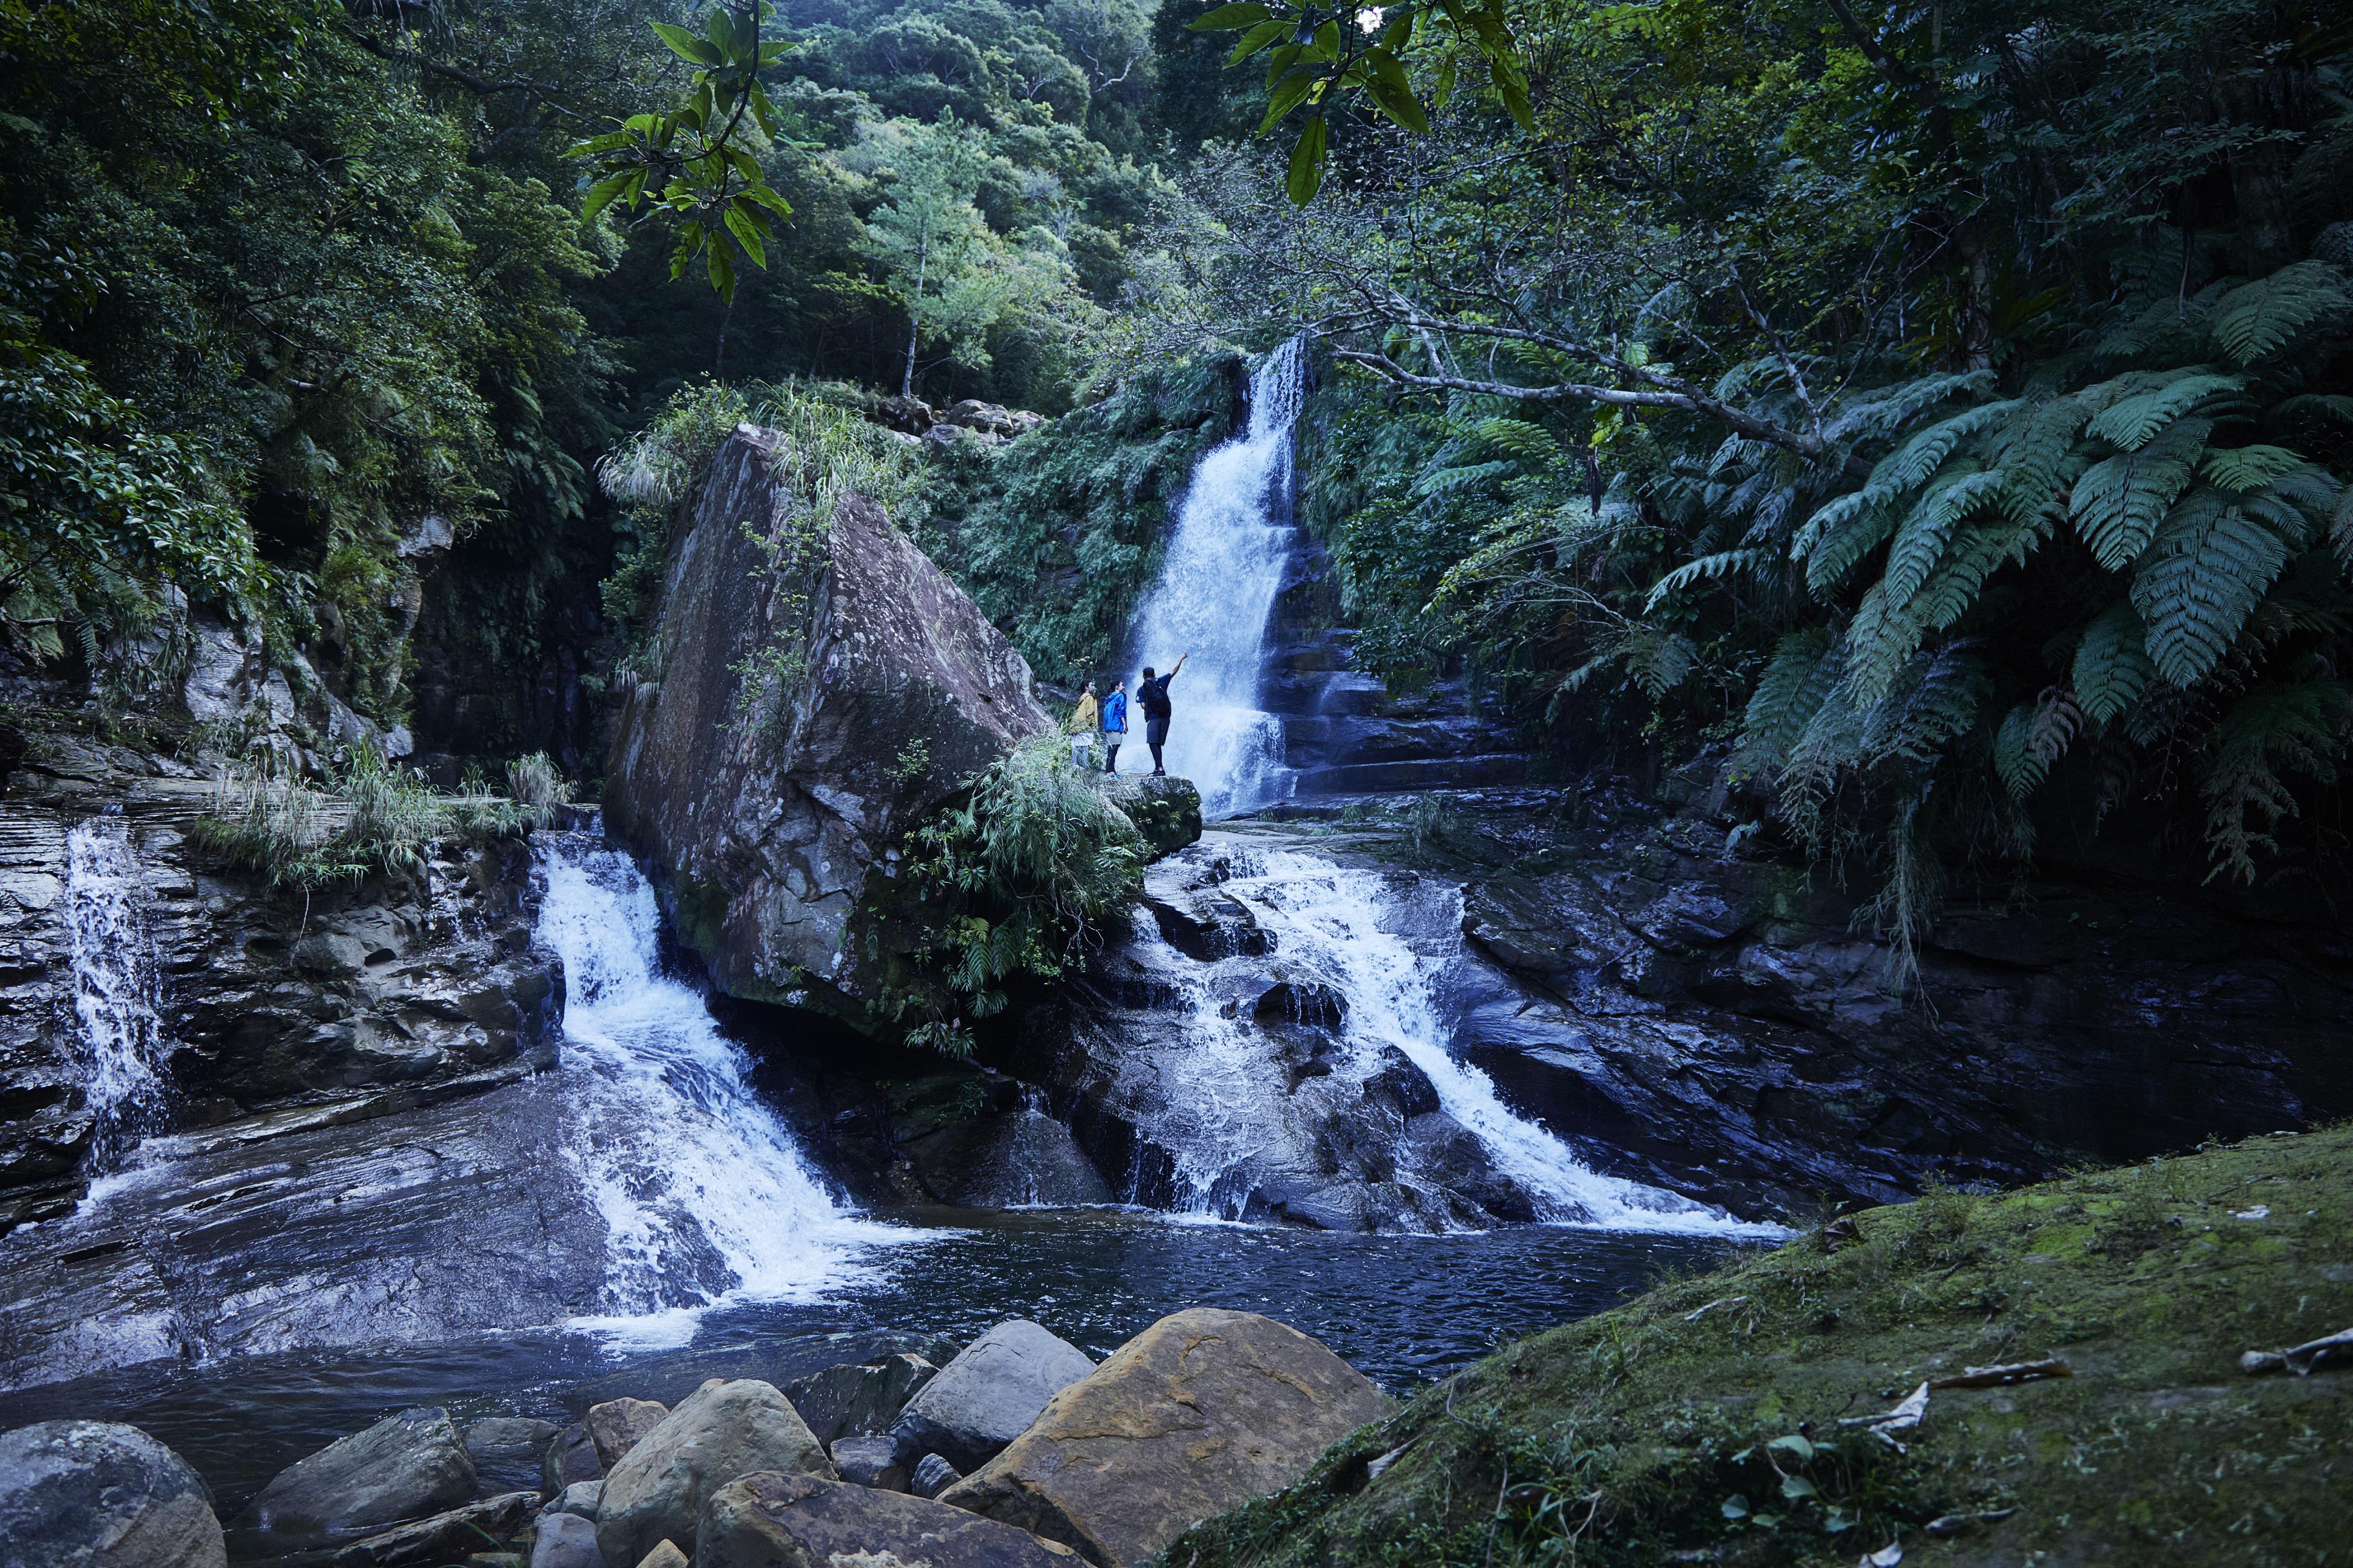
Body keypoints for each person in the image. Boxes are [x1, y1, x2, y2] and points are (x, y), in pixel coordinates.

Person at [1136, 652, 1187, 776]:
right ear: (1154, 674)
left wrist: (1151, 705)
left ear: (1144, 676)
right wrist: (1181, 658)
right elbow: (1174, 671)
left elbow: (1143, 706)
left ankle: (1160, 769)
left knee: (1153, 743)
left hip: (1154, 718)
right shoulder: (1161, 681)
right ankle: (1158, 768)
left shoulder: (1142, 689)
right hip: (1166, 717)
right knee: (1157, 743)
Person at [1100, 678, 1129, 774]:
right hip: (1116, 726)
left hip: (1109, 727)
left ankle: (1109, 771)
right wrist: (1125, 724)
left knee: (1110, 750)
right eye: (1122, 685)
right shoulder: (1120, 696)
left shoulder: (1110, 698)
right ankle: (1112, 772)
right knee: (1114, 750)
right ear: (1117, 687)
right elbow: (1121, 711)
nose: (1124, 687)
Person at [1067, 680, 1098, 770]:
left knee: (1075, 751)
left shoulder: (1082, 697)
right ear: (1086, 688)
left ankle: (1075, 771)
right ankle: (1086, 772)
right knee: (1085, 751)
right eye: (1092, 685)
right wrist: (1094, 728)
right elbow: (1090, 714)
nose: (1093, 687)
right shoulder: (1090, 697)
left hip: (1075, 726)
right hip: (1084, 727)